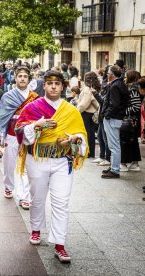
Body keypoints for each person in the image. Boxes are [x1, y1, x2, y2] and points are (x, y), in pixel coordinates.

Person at [15, 70, 89, 263]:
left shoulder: (71, 110)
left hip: (62, 161)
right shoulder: (32, 107)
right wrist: (36, 126)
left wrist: (74, 139)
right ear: (44, 86)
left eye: (57, 83)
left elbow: (82, 136)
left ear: (62, 86)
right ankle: (36, 229)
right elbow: (20, 131)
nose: (53, 86)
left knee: (61, 203)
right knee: (37, 198)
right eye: (50, 83)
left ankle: (59, 244)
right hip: (37, 159)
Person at [0, 66, 39, 209]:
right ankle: (8, 186)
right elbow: (1, 118)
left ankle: (24, 196)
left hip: (28, 134)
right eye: (20, 76)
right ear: (15, 78)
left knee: (26, 165)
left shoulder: (35, 97)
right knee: (9, 163)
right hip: (12, 134)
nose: (23, 78)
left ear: (29, 79)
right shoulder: (8, 96)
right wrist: (1, 135)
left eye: (25, 76)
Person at [101, 65, 130, 179]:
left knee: (114, 146)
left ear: (112, 75)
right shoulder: (120, 84)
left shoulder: (115, 86)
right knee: (114, 145)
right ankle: (113, 167)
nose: (107, 75)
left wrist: (107, 115)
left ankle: (115, 170)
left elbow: (114, 104)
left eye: (108, 73)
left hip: (113, 118)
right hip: (116, 117)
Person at [120, 70, 142, 172]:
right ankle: (134, 163)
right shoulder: (136, 88)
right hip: (134, 120)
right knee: (132, 142)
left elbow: (136, 106)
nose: (125, 77)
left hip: (131, 120)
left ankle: (127, 163)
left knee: (126, 141)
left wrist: (124, 111)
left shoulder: (133, 89)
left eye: (126, 76)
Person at [76, 72, 100, 159]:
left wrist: (76, 111)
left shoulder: (87, 89)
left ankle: (88, 152)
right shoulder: (93, 88)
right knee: (90, 134)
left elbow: (84, 104)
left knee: (87, 134)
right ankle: (90, 152)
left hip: (86, 114)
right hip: (91, 113)